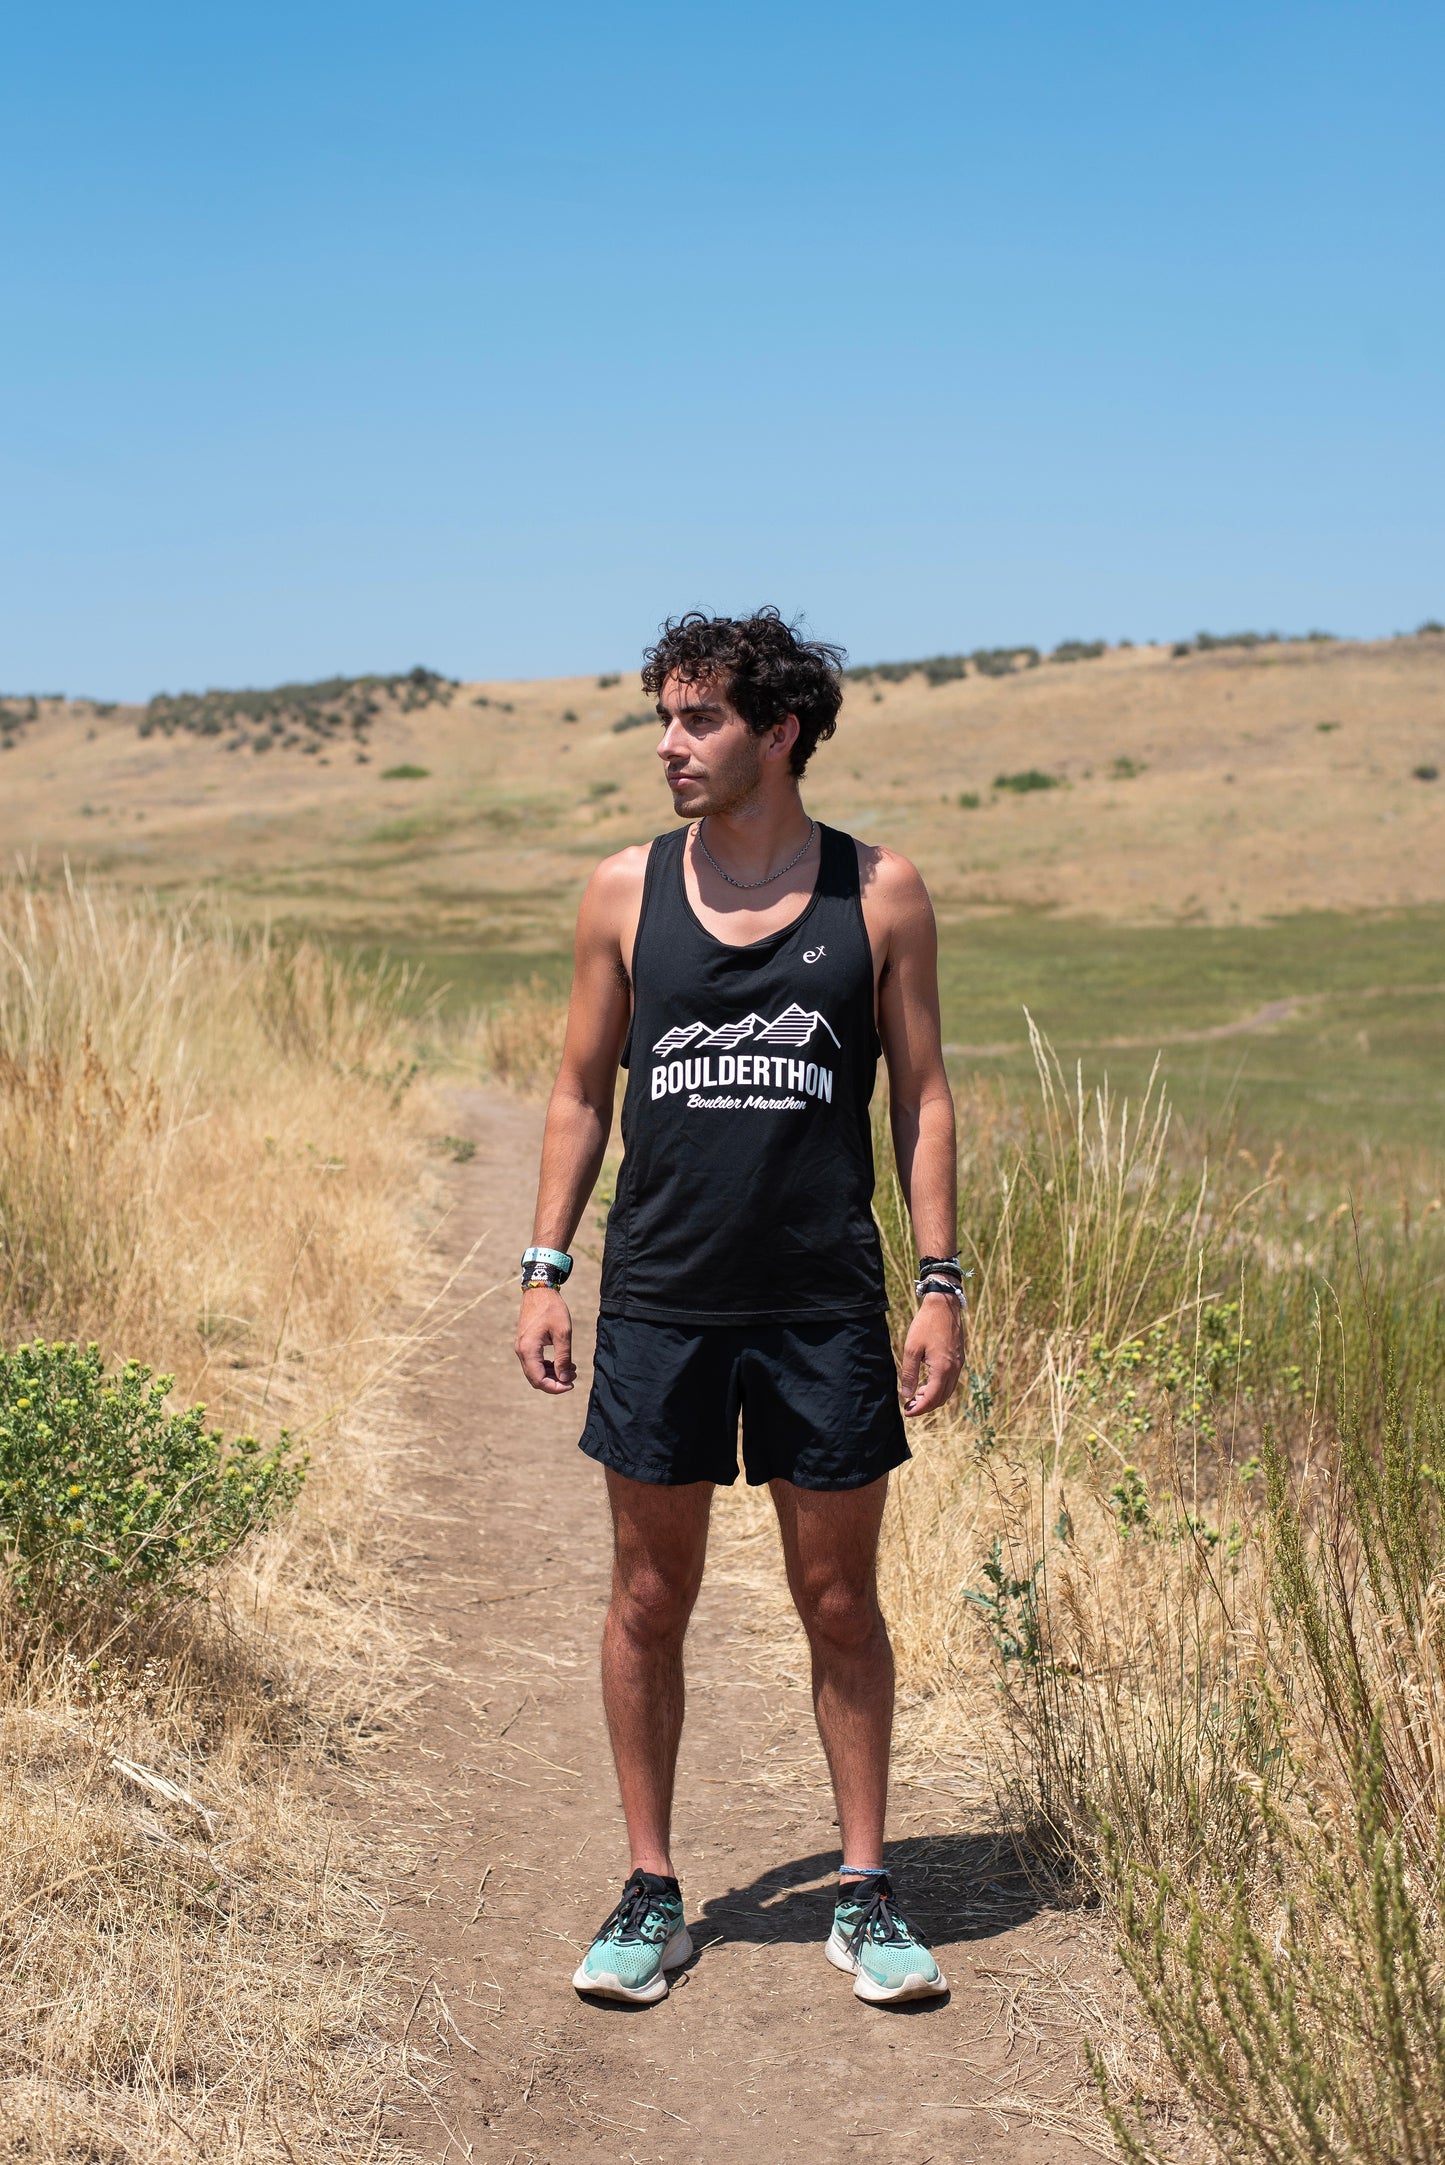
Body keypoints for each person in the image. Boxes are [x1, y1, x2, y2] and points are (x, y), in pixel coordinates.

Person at [514, 608, 965, 2007]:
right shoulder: (622, 891)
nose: (670, 743)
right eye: (662, 715)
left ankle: (864, 1892)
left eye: (698, 718)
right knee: (650, 1595)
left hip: (821, 1305)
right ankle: (651, 1891)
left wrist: (939, 1280)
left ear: (779, 731)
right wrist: (544, 1265)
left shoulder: (877, 892)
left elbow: (922, 1096)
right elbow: (579, 1092)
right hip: (663, 1301)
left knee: (838, 1599)